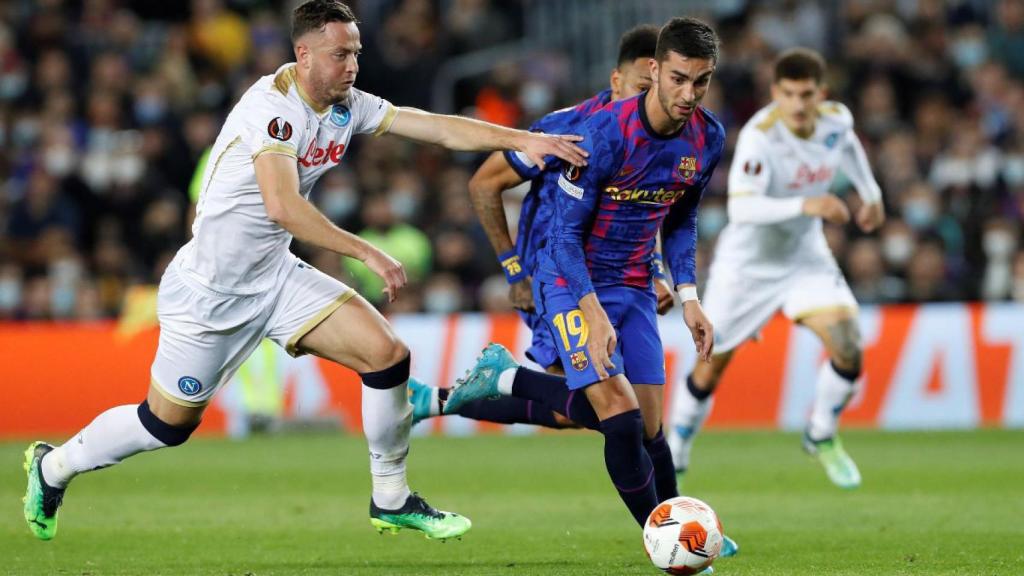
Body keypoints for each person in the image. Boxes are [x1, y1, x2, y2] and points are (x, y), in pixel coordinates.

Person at [22, 0, 587, 543]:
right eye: (341, 55)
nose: (353, 66)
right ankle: (54, 468)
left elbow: (432, 126)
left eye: (357, 53)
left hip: (275, 277)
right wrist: (365, 251)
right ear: (305, 54)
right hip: (210, 294)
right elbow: (282, 207)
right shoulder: (272, 110)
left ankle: (391, 500)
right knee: (165, 425)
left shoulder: (345, 103)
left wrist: (522, 138)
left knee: (387, 357)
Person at [443, 17, 725, 531]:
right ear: (655, 71)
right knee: (619, 419)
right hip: (569, 279)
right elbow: (564, 237)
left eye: (700, 81)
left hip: (636, 282)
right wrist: (584, 309)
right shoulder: (599, 134)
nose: (689, 94)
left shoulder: (708, 137)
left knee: (649, 429)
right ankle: (664, 538)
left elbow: (682, 217)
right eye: (678, 79)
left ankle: (682, 526)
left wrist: (689, 296)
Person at [408, 25, 671, 429]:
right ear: (616, 81)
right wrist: (514, 270)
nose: (650, 99)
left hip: (615, 278)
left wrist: (653, 270)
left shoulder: (658, 137)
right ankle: (478, 385)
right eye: (640, 86)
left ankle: (439, 399)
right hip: (556, 278)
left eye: (657, 88)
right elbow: (484, 182)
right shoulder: (568, 130)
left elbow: (641, 209)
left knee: (590, 411)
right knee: (600, 408)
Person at [667, 47, 885, 490]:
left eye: (807, 95)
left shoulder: (837, 120)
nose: (799, 105)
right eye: (789, 94)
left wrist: (871, 193)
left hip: (805, 256)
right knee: (710, 366)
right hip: (747, 266)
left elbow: (849, 150)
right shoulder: (760, 136)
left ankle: (821, 434)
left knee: (848, 345)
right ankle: (677, 451)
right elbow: (742, 207)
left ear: (820, 93)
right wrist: (809, 203)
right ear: (775, 93)